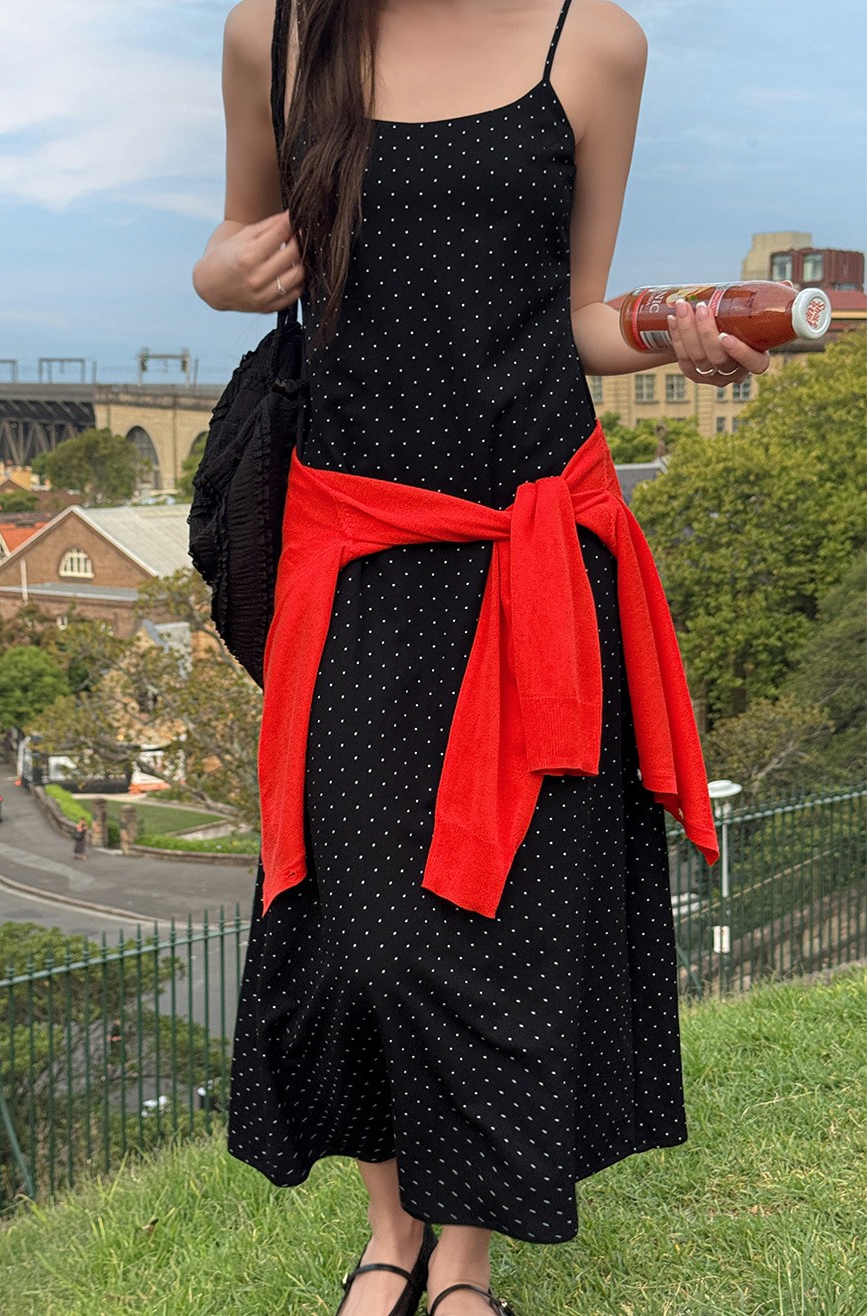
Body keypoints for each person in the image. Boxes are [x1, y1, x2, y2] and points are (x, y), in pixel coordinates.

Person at [192, 2, 769, 1314]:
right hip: (355, 546)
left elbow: (574, 318)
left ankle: (460, 1263)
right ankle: (387, 1232)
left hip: (534, 553)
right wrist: (221, 277)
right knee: (359, 934)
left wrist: (673, 334)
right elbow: (237, 244)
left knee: (494, 926)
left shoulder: (595, 43)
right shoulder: (274, 32)